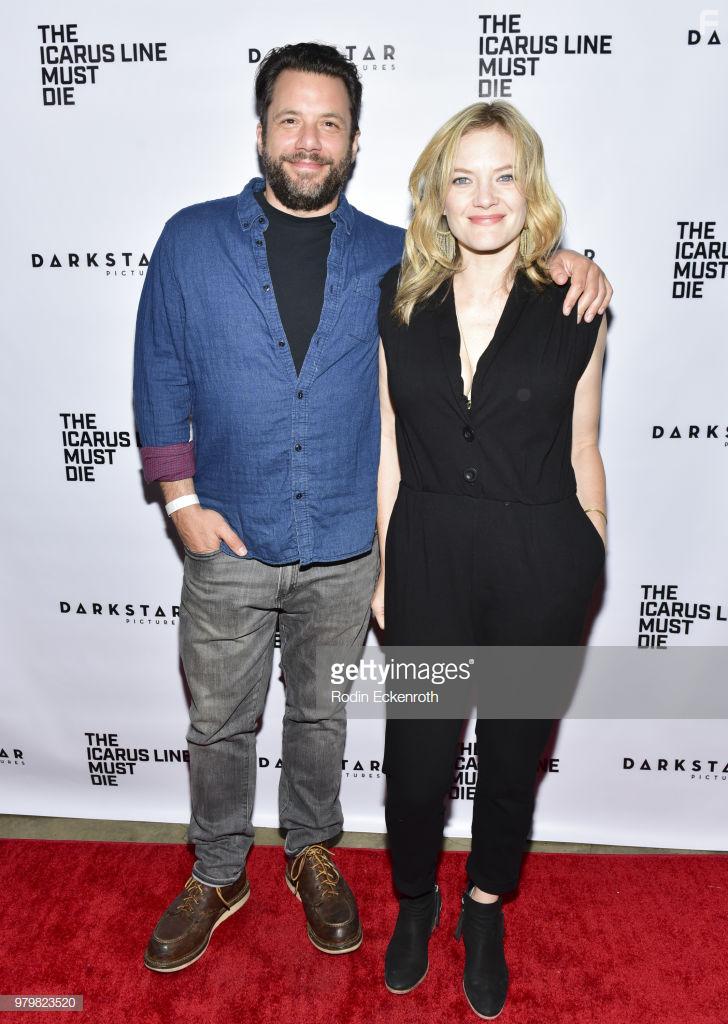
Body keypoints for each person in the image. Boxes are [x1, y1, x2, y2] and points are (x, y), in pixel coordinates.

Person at [133, 41, 611, 974]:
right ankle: (219, 871)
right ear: (261, 131)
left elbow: (492, 246)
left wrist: (569, 257)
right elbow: (159, 367)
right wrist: (178, 499)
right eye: (291, 120)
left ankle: (314, 854)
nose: (309, 141)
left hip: (352, 545)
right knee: (220, 723)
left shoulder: (395, 259)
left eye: (330, 124)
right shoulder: (192, 239)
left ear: (354, 143)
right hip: (233, 536)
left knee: (323, 719)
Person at [374, 100, 609, 1018]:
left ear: (530, 189)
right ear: (437, 195)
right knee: (416, 762)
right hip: (428, 554)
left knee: (512, 758)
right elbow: (390, 448)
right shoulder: (400, 301)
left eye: (504, 176)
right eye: (463, 178)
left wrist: (590, 545)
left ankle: (482, 907)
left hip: (541, 562)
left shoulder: (575, 304)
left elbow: (585, 444)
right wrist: (386, 570)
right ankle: (416, 899)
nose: (484, 196)